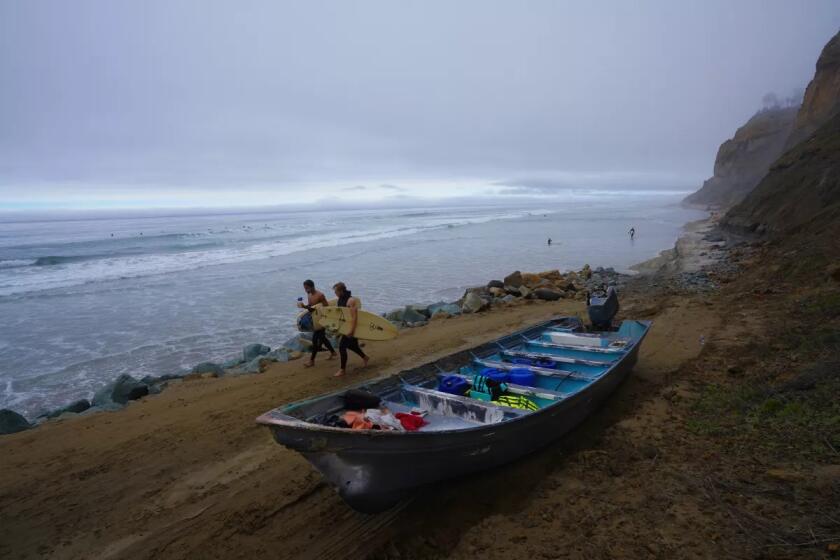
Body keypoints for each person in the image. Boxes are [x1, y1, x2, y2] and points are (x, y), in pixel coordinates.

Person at [332, 281, 369, 377]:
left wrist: (351, 331)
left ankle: (342, 370)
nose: (335, 293)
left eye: (336, 291)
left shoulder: (350, 301)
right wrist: (339, 328)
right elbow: (342, 315)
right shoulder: (340, 299)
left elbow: (354, 317)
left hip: (353, 327)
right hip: (346, 327)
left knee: (342, 347)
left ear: (341, 291)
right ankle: (365, 357)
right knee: (352, 346)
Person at [297, 279, 336, 367]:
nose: (305, 290)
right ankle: (333, 352)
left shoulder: (320, 295)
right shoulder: (309, 295)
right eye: (305, 288)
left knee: (315, 340)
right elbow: (311, 308)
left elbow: (326, 308)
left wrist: (326, 321)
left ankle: (312, 361)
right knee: (322, 338)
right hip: (315, 321)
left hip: (321, 320)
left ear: (311, 286)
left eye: (307, 288)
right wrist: (304, 306)